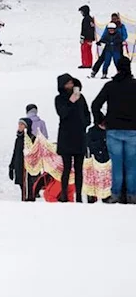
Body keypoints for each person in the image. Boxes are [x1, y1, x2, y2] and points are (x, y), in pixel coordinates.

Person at [91, 56, 136, 203]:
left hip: (114, 130)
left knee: (117, 165)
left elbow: (95, 104)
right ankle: (132, 195)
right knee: (132, 165)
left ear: (117, 69)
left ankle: (115, 194)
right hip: (133, 131)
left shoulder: (110, 86)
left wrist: (100, 121)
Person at [54, 73, 91, 203]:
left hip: (79, 136)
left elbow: (87, 113)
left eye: (71, 83)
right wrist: (70, 102)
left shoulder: (81, 98)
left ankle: (79, 196)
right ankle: (64, 195)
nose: (70, 86)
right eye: (67, 84)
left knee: (80, 169)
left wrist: (85, 122)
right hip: (66, 137)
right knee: (67, 168)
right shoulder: (59, 99)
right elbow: (62, 113)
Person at [10, 118, 44, 202]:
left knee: (29, 186)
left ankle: (29, 202)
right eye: (19, 124)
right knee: (22, 186)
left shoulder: (32, 138)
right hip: (19, 166)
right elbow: (15, 153)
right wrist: (11, 167)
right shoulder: (18, 139)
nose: (19, 126)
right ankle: (24, 201)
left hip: (29, 169)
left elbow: (37, 153)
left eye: (22, 124)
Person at [80, 5, 97, 70]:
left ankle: (86, 64)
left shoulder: (85, 19)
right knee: (88, 51)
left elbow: (84, 30)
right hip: (90, 38)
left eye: (82, 12)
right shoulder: (90, 19)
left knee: (85, 51)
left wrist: (82, 38)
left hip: (86, 38)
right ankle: (89, 63)